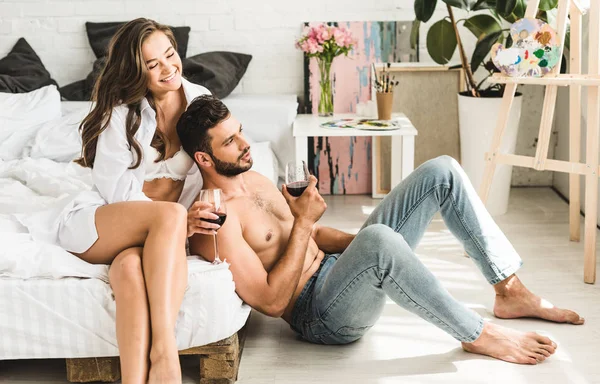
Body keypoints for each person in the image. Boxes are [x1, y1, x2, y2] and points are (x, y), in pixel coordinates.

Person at [177, 94, 585, 366]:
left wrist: (373, 248)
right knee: (378, 240)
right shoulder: (215, 220)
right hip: (319, 314)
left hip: (341, 273)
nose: (245, 144)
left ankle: (509, 290)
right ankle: (476, 334)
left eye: (241, 131)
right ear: (204, 158)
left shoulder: (257, 179)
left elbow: (313, 236)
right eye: (230, 141)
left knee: (441, 170)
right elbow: (270, 301)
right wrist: (307, 222)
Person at [18, 18, 218, 384]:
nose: (168, 68)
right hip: (102, 222)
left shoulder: (200, 101)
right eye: (152, 64)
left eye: (170, 55)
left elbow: (215, 166)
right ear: (134, 71)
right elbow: (117, 195)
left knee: (128, 268)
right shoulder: (119, 113)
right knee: (171, 215)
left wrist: (200, 206)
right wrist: (175, 216)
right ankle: (166, 355)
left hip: (157, 232)